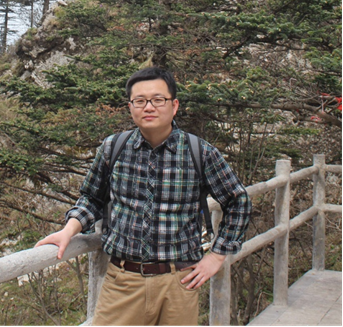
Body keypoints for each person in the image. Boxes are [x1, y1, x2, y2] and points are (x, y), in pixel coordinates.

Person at [36, 67, 251, 326]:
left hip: (179, 281)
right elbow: (92, 198)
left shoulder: (200, 152)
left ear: (174, 106)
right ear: (131, 107)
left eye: (158, 99)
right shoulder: (113, 148)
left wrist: (217, 255)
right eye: (140, 101)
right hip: (123, 280)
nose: (148, 107)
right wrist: (69, 230)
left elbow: (238, 201)